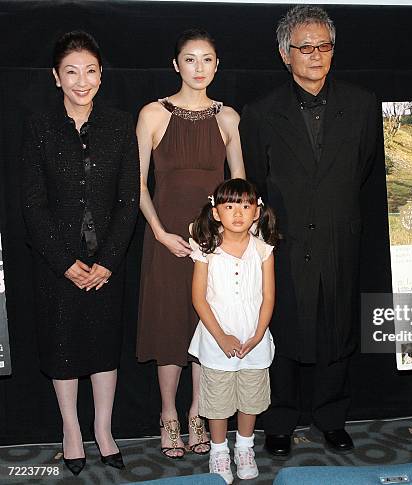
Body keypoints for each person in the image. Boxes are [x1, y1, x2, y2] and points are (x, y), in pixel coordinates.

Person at [239, 5, 381, 456]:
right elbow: (257, 181)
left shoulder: (362, 105)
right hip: (285, 241)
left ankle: (331, 417)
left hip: (341, 236)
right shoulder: (261, 112)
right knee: (282, 330)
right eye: (305, 46)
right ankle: (278, 421)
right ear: (286, 54)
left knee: (336, 332)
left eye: (324, 45)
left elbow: (363, 170)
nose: (316, 55)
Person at [20, 31, 139, 475]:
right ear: (56, 77)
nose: (81, 80)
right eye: (71, 71)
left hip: (108, 263)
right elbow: (32, 203)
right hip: (57, 265)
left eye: (90, 71)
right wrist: (64, 263)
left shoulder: (119, 124)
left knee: (105, 348)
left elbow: (129, 200)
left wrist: (107, 260)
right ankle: (71, 430)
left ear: (101, 75)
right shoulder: (39, 126)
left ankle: (103, 430)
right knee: (63, 348)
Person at [136, 28, 245, 459]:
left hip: (213, 242)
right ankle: (169, 415)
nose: (199, 68)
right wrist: (161, 233)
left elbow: (240, 188)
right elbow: (137, 182)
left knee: (203, 327)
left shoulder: (229, 118)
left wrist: (234, 236)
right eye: (190, 59)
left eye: (207, 59)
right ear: (175, 64)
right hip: (165, 239)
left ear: (217, 65)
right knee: (169, 327)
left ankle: (199, 414)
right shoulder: (153, 114)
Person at [188, 179, 278, 483]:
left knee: (251, 398)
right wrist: (221, 336)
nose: (238, 212)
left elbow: (269, 297)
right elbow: (199, 298)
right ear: (216, 213)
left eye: (245, 205)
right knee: (218, 401)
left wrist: (258, 334)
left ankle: (244, 448)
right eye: (229, 206)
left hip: (255, 340)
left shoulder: (263, 249)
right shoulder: (206, 250)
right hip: (217, 341)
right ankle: (219, 451)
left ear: (256, 212)